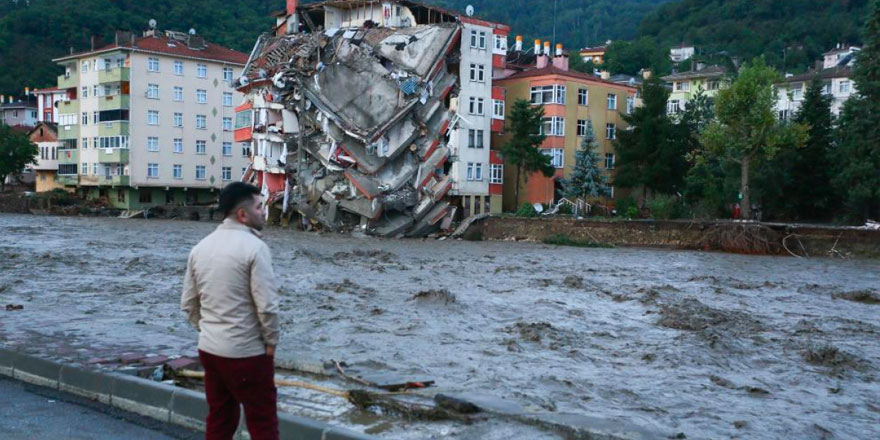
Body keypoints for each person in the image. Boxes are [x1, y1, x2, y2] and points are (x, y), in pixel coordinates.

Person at [181, 182, 280, 440]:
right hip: (246, 353)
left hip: (210, 349)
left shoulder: (200, 248)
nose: (263, 212)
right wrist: (270, 342)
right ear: (242, 215)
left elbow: (189, 303)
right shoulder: (255, 248)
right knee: (263, 421)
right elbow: (267, 306)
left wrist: (209, 330)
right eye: (259, 207)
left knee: (220, 418)